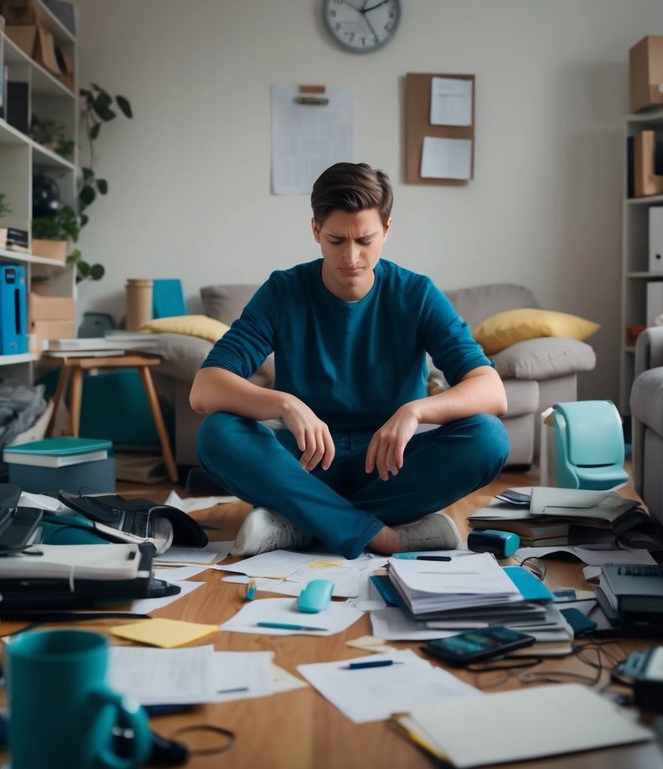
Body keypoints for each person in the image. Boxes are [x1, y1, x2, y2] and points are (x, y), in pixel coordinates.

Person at [190, 162, 509, 558]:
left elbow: (491, 390)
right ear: (315, 232)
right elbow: (205, 388)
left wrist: (416, 412)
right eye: (336, 240)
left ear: (387, 230)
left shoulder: (417, 294)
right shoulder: (284, 291)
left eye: (366, 240)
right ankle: (384, 535)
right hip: (305, 464)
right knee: (217, 433)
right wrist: (284, 404)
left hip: (391, 467)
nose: (352, 257)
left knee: (488, 437)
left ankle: (301, 523)